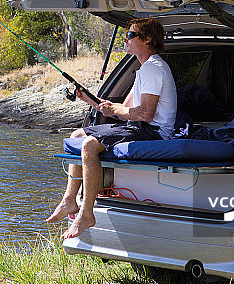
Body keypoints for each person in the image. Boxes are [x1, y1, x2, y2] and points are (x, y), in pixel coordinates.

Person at [46, 17, 177, 238]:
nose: (125, 40)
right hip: (140, 127)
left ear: (147, 39)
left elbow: (145, 113)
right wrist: (90, 100)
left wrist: (116, 110)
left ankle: (86, 213)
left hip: (154, 132)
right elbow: (123, 109)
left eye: (130, 35)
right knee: (77, 135)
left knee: (88, 145)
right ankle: (69, 200)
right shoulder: (144, 69)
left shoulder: (153, 68)